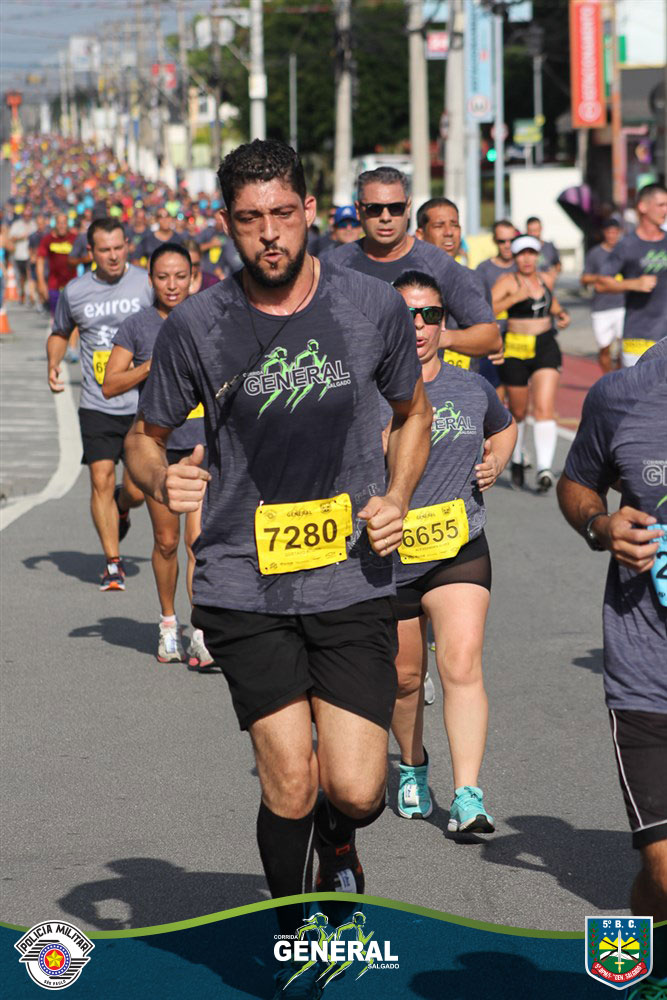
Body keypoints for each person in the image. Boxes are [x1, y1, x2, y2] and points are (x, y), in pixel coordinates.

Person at [124, 139, 432, 999]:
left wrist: (397, 494)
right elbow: (146, 439)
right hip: (241, 579)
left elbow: (413, 413)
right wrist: (162, 477)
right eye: (250, 218)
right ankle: (299, 940)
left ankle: (341, 842)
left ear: (309, 212)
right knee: (290, 780)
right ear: (227, 224)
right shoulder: (198, 325)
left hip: (352, 575)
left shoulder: (368, 306)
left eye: (283, 214)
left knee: (357, 788)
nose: (269, 233)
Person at [384, 270, 515, 831]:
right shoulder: (368, 391)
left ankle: (468, 795)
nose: (419, 326)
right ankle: (412, 765)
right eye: (406, 315)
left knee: (460, 663)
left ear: (443, 323)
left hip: (458, 545)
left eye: (430, 315)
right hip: (389, 557)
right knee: (405, 678)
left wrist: (496, 460)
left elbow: (503, 426)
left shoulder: (470, 386)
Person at [556, 352, 667, 937]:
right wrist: (600, 526)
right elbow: (578, 483)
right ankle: (645, 966)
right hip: (647, 668)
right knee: (666, 875)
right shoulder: (625, 394)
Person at [103, 243, 212, 667]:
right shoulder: (138, 326)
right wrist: (152, 365)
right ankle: (168, 624)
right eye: (163, 277)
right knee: (167, 542)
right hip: (158, 449)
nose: (172, 285)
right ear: (150, 280)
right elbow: (111, 384)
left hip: (202, 447)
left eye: (180, 276)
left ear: (193, 277)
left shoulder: (209, 320)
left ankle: (201, 631)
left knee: (198, 543)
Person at [47, 218, 153, 590]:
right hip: (98, 403)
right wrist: (53, 363)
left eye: (118, 248)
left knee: (137, 490)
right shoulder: (76, 292)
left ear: (128, 246)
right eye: (104, 250)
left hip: (142, 403)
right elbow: (60, 332)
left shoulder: (146, 283)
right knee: (100, 479)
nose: (113, 256)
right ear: (90, 252)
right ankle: (112, 563)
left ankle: (122, 506)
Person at [331, 166, 501, 366]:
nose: (386, 217)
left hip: (420, 385)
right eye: (374, 208)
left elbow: (490, 337)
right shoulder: (332, 265)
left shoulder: (437, 263)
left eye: (396, 208)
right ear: (359, 209)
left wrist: (437, 338)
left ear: (408, 207)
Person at [492, 235, 570, 492]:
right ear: (515, 257)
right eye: (522, 254)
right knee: (519, 410)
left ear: (537, 256)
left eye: (531, 253)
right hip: (515, 347)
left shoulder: (545, 279)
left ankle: (544, 469)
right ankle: (516, 457)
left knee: (545, 407)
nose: (527, 259)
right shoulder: (507, 281)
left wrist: (562, 314)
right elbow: (487, 310)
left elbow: (552, 303)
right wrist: (514, 298)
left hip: (545, 346)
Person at [594, 183, 667, 367]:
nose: (665, 210)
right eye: (661, 205)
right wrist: (633, 284)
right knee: (642, 387)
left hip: (665, 336)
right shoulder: (627, 244)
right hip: (639, 338)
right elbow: (601, 283)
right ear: (643, 206)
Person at [580, 218, 625, 373]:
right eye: (609, 232)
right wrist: (600, 278)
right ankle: (607, 378)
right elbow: (584, 278)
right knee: (604, 348)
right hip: (601, 308)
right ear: (604, 233)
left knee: (623, 348)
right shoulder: (595, 254)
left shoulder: (625, 251)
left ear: (619, 233)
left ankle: (620, 378)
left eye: (615, 232)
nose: (612, 236)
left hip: (622, 306)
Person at [475, 219, 518, 301]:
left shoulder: (523, 266)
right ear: (494, 240)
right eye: (502, 241)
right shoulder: (483, 269)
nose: (507, 245)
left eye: (512, 240)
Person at [8, 205, 37, 304]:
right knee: (22, 276)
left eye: (29, 215)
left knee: (30, 275)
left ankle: (31, 296)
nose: (27, 217)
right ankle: (22, 293)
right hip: (19, 255)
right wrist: (21, 237)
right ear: (22, 215)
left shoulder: (34, 224)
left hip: (30, 254)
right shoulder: (16, 224)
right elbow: (11, 238)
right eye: (25, 215)